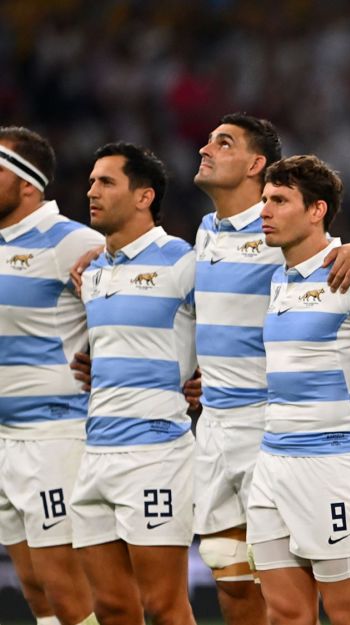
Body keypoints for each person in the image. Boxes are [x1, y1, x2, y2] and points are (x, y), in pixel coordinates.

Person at [248, 155, 350, 625]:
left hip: (331, 465)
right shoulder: (278, 279)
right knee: (284, 613)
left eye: (279, 200)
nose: (265, 210)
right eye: (264, 199)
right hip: (271, 462)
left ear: (316, 210)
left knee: (349, 613)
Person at [72, 142, 197, 625]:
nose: (91, 192)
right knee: (112, 607)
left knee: (164, 605)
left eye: (106, 182)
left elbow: (240, 320)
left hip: (156, 456)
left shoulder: (182, 261)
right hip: (95, 451)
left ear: (144, 197)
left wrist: (213, 374)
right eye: (90, 182)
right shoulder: (94, 270)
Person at [0, 127, 100, 625]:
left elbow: (148, 305)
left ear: (28, 184)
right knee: (36, 592)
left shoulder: (74, 242)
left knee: (68, 591)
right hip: (5, 439)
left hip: (55, 436)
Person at [190, 113, 283, 625]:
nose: (205, 149)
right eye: (207, 140)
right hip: (214, 424)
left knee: (284, 590)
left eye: (222, 143)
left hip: (267, 424)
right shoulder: (207, 231)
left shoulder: (281, 228)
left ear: (255, 164)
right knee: (230, 583)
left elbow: (334, 264)